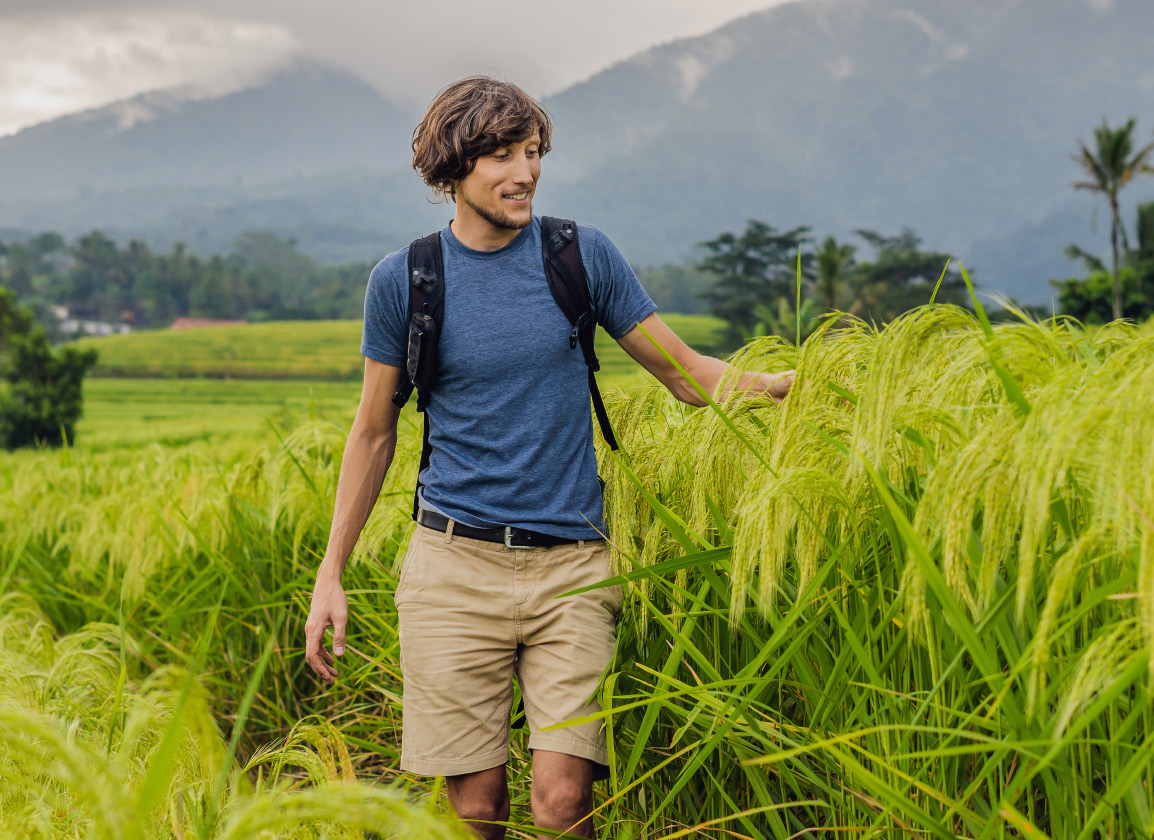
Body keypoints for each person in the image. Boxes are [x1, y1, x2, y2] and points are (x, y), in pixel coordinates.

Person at [303, 76, 792, 838]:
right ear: (452, 169)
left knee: (564, 802)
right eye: (500, 155)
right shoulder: (405, 282)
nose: (524, 171)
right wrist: (331, 573)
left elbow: (684, 373)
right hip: (453, 568)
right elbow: (373, 432)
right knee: (476, 808)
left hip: (573, 566)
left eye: (531, 152)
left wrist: (783, 387)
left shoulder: (580, 256)